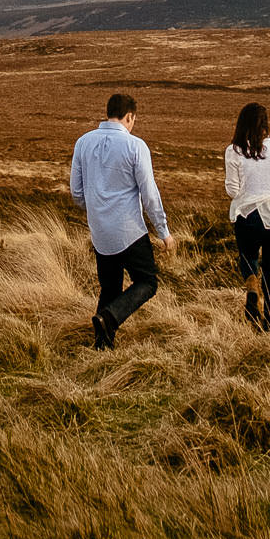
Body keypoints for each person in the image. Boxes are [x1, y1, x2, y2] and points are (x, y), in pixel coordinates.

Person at [68, 91, 168, 349]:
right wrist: (163, 231)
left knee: (110, 287)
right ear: (129, 116)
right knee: (147, 282)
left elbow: (76, 192)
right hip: (129, 231)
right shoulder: (135, 146)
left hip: (100, 232)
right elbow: (149, 193)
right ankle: (111, 318)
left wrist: (96, 211)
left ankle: (102, 346)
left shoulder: (83, 142)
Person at [223, 100, 270, 331]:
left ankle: (252, 287)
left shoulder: (233, 150)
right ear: (265, 125)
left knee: (248, 258)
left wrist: (248, 190)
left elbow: (232, 190)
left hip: (248, 217)